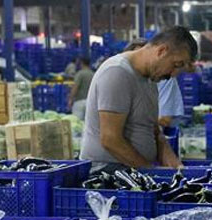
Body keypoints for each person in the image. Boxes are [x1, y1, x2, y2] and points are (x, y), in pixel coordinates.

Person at [79, 27, 196, 169]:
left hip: (133, 170)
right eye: (176, 65)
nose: (174, 74)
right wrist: (149, 171)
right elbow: (110, 139)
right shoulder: (117, 73)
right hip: (109, 173)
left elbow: (153, 129)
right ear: (161, 51)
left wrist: (172, 161)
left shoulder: (150, 79)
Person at [69, 56, 94, 120]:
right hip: (90, 102)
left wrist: (71, 99)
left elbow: (75, 87)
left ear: (81, 63)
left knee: (77, 121)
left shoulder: (80, 74)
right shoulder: (93, 74)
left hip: (79, 101)